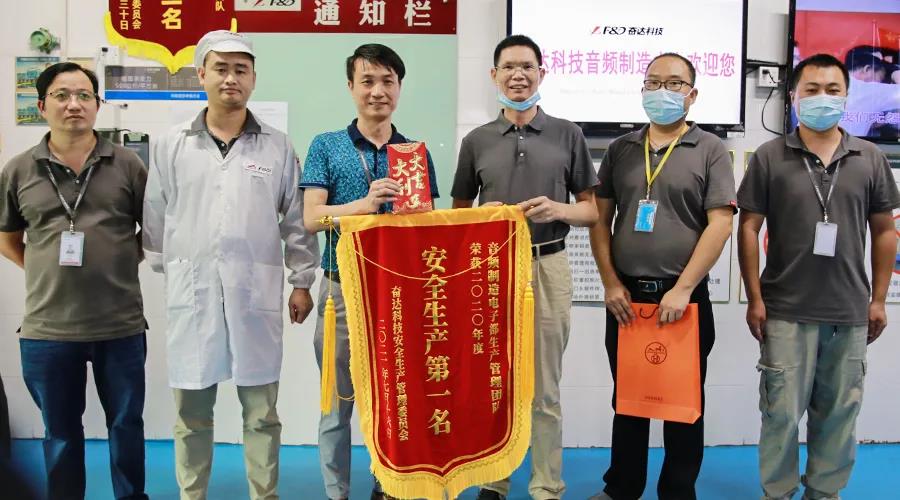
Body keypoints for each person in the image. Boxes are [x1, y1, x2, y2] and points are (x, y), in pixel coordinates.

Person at [142, 30, 320, 500]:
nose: (230, 79)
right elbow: (156, 211)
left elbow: (296, 220)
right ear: (201, 74)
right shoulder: (171, 144)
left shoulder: (277, 146)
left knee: (261, 411)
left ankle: (264, 493)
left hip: (253, 290)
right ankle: (192, 494)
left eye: (241, 70)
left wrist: (302, 281)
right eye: (220, 68)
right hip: (192, 290)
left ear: (254, 78)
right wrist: (168, 267)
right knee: (191, 412)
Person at [738, 53, 900, 500]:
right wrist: (755, 298)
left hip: (848, 312)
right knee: (780, 414)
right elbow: (748, 228)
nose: (822, 98)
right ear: (794, 96)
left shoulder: (869, 157)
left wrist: (878, 299)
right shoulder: (770, 156)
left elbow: (884, 232)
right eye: (811, 90)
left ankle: (825, 493)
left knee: (839, 415)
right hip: (785, 310)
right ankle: (778, 491)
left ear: (846, 96)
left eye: (833, 90)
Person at [451, 34, 599, 500]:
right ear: (493, 75)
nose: (518, 75)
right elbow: (458, 214)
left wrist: (558, 209)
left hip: (547, 265)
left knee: (545, 386)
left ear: (541, 73)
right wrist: (485, 219)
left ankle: (546, 485)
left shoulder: (568, 134)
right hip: (491, 272)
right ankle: (493, 479)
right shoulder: (476, 141)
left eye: (527, 67)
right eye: (509, 67)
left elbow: (591, 210)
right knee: (493, 381)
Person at [588, 52, 735, 500]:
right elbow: (600, 219)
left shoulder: (710, 149)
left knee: (683, 403)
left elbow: (721, 223)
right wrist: (611, 283)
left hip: (683, 300)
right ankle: (622, 487)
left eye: (673, 83)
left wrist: (683, 288)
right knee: (628, 399)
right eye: (653, 82)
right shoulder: (621, 149)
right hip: (626, 298)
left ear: (693, 94)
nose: (661, 92)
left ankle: (678, 490)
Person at [0, 62, 149, 500]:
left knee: (126, 426)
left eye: (84, 95)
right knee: (60, 432)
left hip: (120, 325)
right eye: (62, 95)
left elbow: (152, 232)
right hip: (48, 329)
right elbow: (7, 238)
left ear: (97, 105)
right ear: (42, 105)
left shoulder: (128, 164)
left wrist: (117, 262)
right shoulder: (19, 169)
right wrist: (43, 270)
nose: (74, 104)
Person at [300, 43, 439, 500]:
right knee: (337, 402)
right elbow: (311, 217)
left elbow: (426, 228)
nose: (378, 91)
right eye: (367, 81)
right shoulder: (326, 145)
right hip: (341, 290)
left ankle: (389, 485)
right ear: (351, 87)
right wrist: (364, 205)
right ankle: (336, 492)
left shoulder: (414, 153)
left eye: (387, 81)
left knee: (395, 398)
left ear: (399, 88)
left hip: (398, 294)